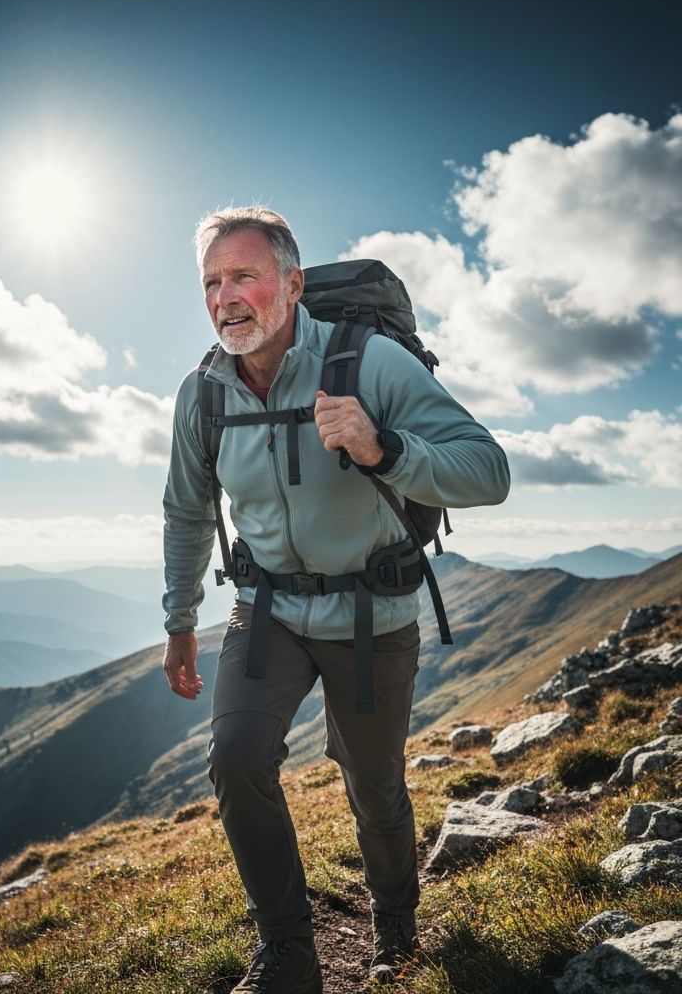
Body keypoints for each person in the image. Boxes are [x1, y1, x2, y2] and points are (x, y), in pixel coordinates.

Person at [161, 207, 510, 992]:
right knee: (236, 757)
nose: (226, 297)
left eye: (244, 276)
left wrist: (383, 448)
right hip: (266, 612)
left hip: (370, 615)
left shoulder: (370, 363)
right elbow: (186, 510)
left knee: (372, 784)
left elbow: (488, 471)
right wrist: (179, 622)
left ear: (293, 284)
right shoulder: (203, 393)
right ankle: (287, 952)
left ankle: (395, 927)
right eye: (212, 282)